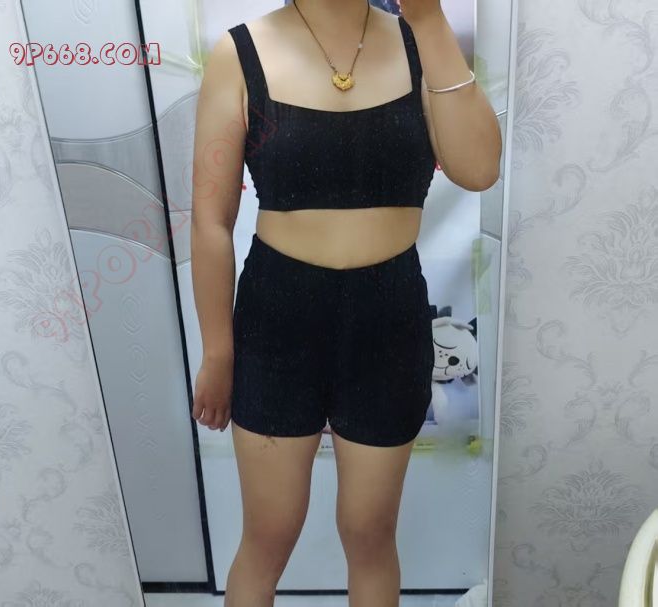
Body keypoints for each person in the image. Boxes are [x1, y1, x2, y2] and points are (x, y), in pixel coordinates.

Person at [190, 1, 501, 605]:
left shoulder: (420, 43)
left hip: (389, 316)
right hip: (277, 319)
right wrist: (218, 352)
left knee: (370, 533)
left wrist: (429, 21)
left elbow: (479, 168)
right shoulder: (240, 52)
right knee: (268, 535)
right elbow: (211, 220)